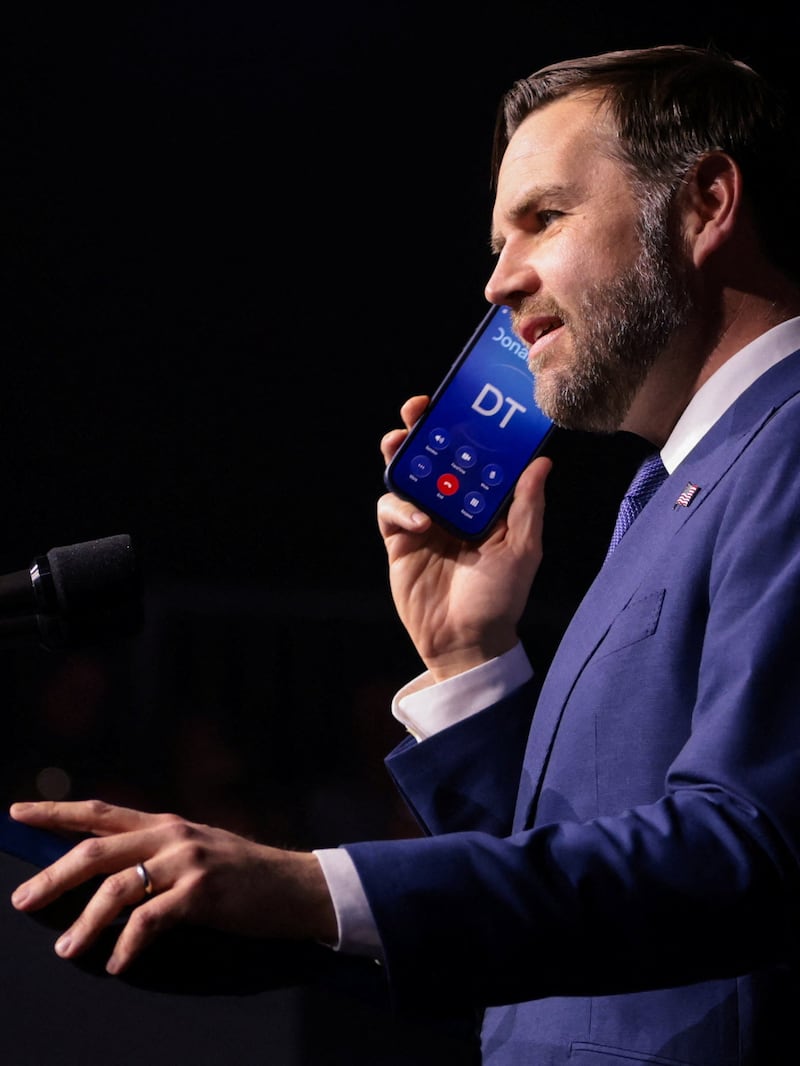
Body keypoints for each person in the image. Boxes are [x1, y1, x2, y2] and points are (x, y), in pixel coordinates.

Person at [8, 42, 800, 1065]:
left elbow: (747, 857)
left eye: (543, 217)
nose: (499, 279)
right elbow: (571, 874)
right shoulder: (668, 491)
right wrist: (470, 660)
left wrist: (312, 886)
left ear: (703, 205)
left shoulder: (783, 447)